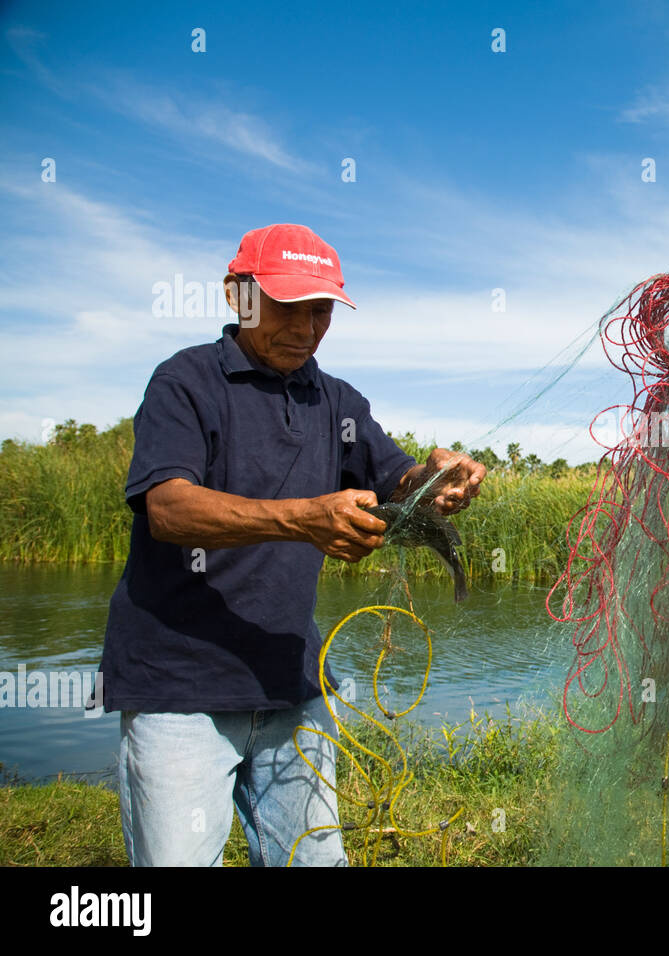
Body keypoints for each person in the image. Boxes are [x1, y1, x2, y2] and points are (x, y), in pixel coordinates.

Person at [99, 223, 485, 866]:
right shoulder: (185, 381)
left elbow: (398, 483)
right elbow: (167, 508)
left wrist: (435, 480)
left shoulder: (337, 400)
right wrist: (301, 518)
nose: (306, 327)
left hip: (291, 682)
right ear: (237, 295)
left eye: (321, 309)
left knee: (314, 860)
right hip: (178, 689)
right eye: (286, 305)